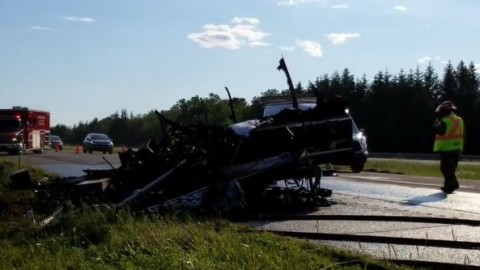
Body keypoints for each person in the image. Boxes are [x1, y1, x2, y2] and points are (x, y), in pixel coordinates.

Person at [433, 100, 464, 194]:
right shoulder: (459, 120)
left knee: (445, 168)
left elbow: (440, 132)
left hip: (448, 148)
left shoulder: (444, 121)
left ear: (444, 111)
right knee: (450, 168)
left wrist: (436, 124)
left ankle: (453, 184)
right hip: (458, 147)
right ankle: (449, 186)